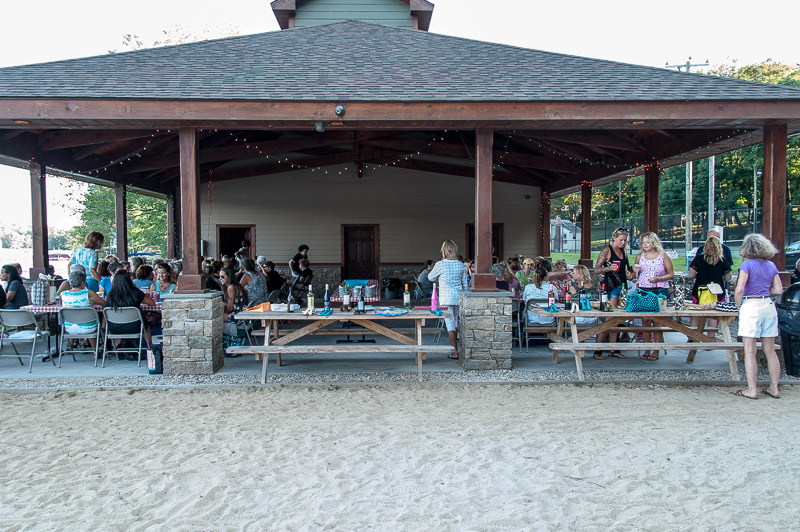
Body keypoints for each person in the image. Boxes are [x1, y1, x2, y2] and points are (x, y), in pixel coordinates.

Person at [733, 234, 783, 400]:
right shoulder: (771, 265)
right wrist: (764, 289)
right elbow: (778, 289)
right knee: (770, 350)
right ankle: (774, 387)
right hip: (767, 304)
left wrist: (738, 305)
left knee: (749, 349)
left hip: (751, 305)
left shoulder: (747, 265)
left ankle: (751, 388)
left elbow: (740, 289)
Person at [594, 227, 636, 359]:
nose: (623, 243)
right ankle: (598, 350)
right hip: (610, 287)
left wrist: (631, 274)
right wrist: (609, 268)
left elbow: (627, 269)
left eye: (625, 240)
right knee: (610, 319)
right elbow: (596, 269)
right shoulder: (607, 250)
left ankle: (614, 348)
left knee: (617, 319)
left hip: (622, 287)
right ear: (614, 238)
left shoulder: (624, 251)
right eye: (620, 240)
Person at [633, 232, 674, 361]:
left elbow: (671, 274)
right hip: (644, 288)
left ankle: (656, 350)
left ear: (654, 242)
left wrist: (658, 279)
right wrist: (634, 273)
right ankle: (647, 349)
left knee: (657, 321)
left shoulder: (663, 256)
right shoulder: (640, 257)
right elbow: (635, 276)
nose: (645, 245)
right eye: (643, 242)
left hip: (660, 288)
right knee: (645, 320)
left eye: (648, 242)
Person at [427, 240, 469, 360]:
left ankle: (455, 351)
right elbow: (465, 284)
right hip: (459, 296)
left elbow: (430, 277)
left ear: (444, 250)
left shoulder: (440, 264)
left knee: (450, 323)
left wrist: (439, 279)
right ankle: (460, 350)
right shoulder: (460, 264)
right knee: (456, 322)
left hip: (446, 297)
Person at [105, 270, 155, 355]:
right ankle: (149, 346)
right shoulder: (135, 292)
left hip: (114, 327)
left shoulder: (110, 295)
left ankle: (118, 346)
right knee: (146, 326)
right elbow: (152, 303)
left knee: (121, 320)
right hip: (134, 326)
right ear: (128, 280)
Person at [689, 235, 732, 330]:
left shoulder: (698, 259)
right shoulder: (723, 260)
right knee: (714, 315)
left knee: (696, 314)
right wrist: (721, 278)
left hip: (700, 290)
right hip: (717, 291)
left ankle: (692, 336)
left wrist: (699, 276)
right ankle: (711, 336)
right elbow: (728, 277)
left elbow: (691, 275)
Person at [60, 269, 105, 342]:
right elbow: (103, 303)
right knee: (95, 320)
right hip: (88, 327)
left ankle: (71, 346)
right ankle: (95, 348)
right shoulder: (88, 293)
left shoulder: (63, 294)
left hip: (69, 327)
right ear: (82, 283)